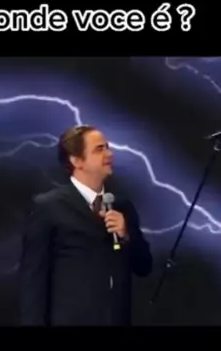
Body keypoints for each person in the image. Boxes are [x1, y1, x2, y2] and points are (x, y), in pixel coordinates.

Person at [19, 125, 152, 325]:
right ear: (77, 161)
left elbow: (144, 267)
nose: (109, 154)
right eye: (99, 149)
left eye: (108, 147)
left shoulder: (122, 207)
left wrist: (127, 234)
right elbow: (33, 281)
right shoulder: (49, 207)